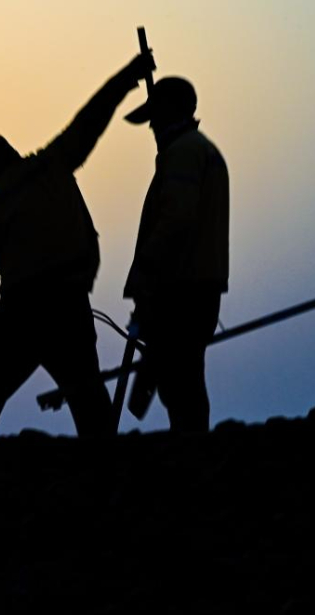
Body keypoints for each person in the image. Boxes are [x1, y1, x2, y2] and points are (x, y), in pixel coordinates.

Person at [0, 53, 156, 441]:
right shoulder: (53, 165)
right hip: (66, 304)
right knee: (88, 400)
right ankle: (107, 464)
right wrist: (129, 75)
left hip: (19, 310)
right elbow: (92, 117)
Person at [123, 77, 229, 431]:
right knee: (182, 376)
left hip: (181, 288)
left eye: (155, 116)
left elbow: (176, 220)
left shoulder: (183, 153)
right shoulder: (198, 150)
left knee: (179, 379)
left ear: (171, 112)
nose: (151, 126)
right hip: (195, 284)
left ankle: (191, 447)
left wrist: (146, 272)